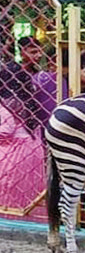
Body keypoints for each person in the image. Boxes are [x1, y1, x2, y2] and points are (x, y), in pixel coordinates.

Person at [0, 37, 47, 219]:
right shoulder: (18, 75)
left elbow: (5, 129)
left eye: (38, 51)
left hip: (18, 151)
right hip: (31, 144)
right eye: (33, 50)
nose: (38, 55)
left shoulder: (9, 104)